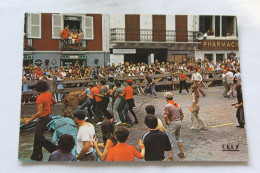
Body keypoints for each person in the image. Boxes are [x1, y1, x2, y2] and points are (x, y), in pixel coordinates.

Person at [24, 80, 58, 161]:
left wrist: (29, 120)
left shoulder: (40, 98)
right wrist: (47, 105)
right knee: (37, 137)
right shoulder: (49, 94)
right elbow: (55, 102)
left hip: (43, 118)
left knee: (39, 136)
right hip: (49, 116)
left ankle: (55, 149)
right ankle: (36, 155)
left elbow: (39, 112)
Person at [163, 92, 185, 159]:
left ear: (166, 98)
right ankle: (181, 153)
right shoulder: (178, 104)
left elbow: (166, 116)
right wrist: (179, 121)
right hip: (179, 122)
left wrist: (167, 123)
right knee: (179, 137)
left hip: (172, 122)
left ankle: (170, 156)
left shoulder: (167, 106)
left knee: (169, 139)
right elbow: (182, 115)